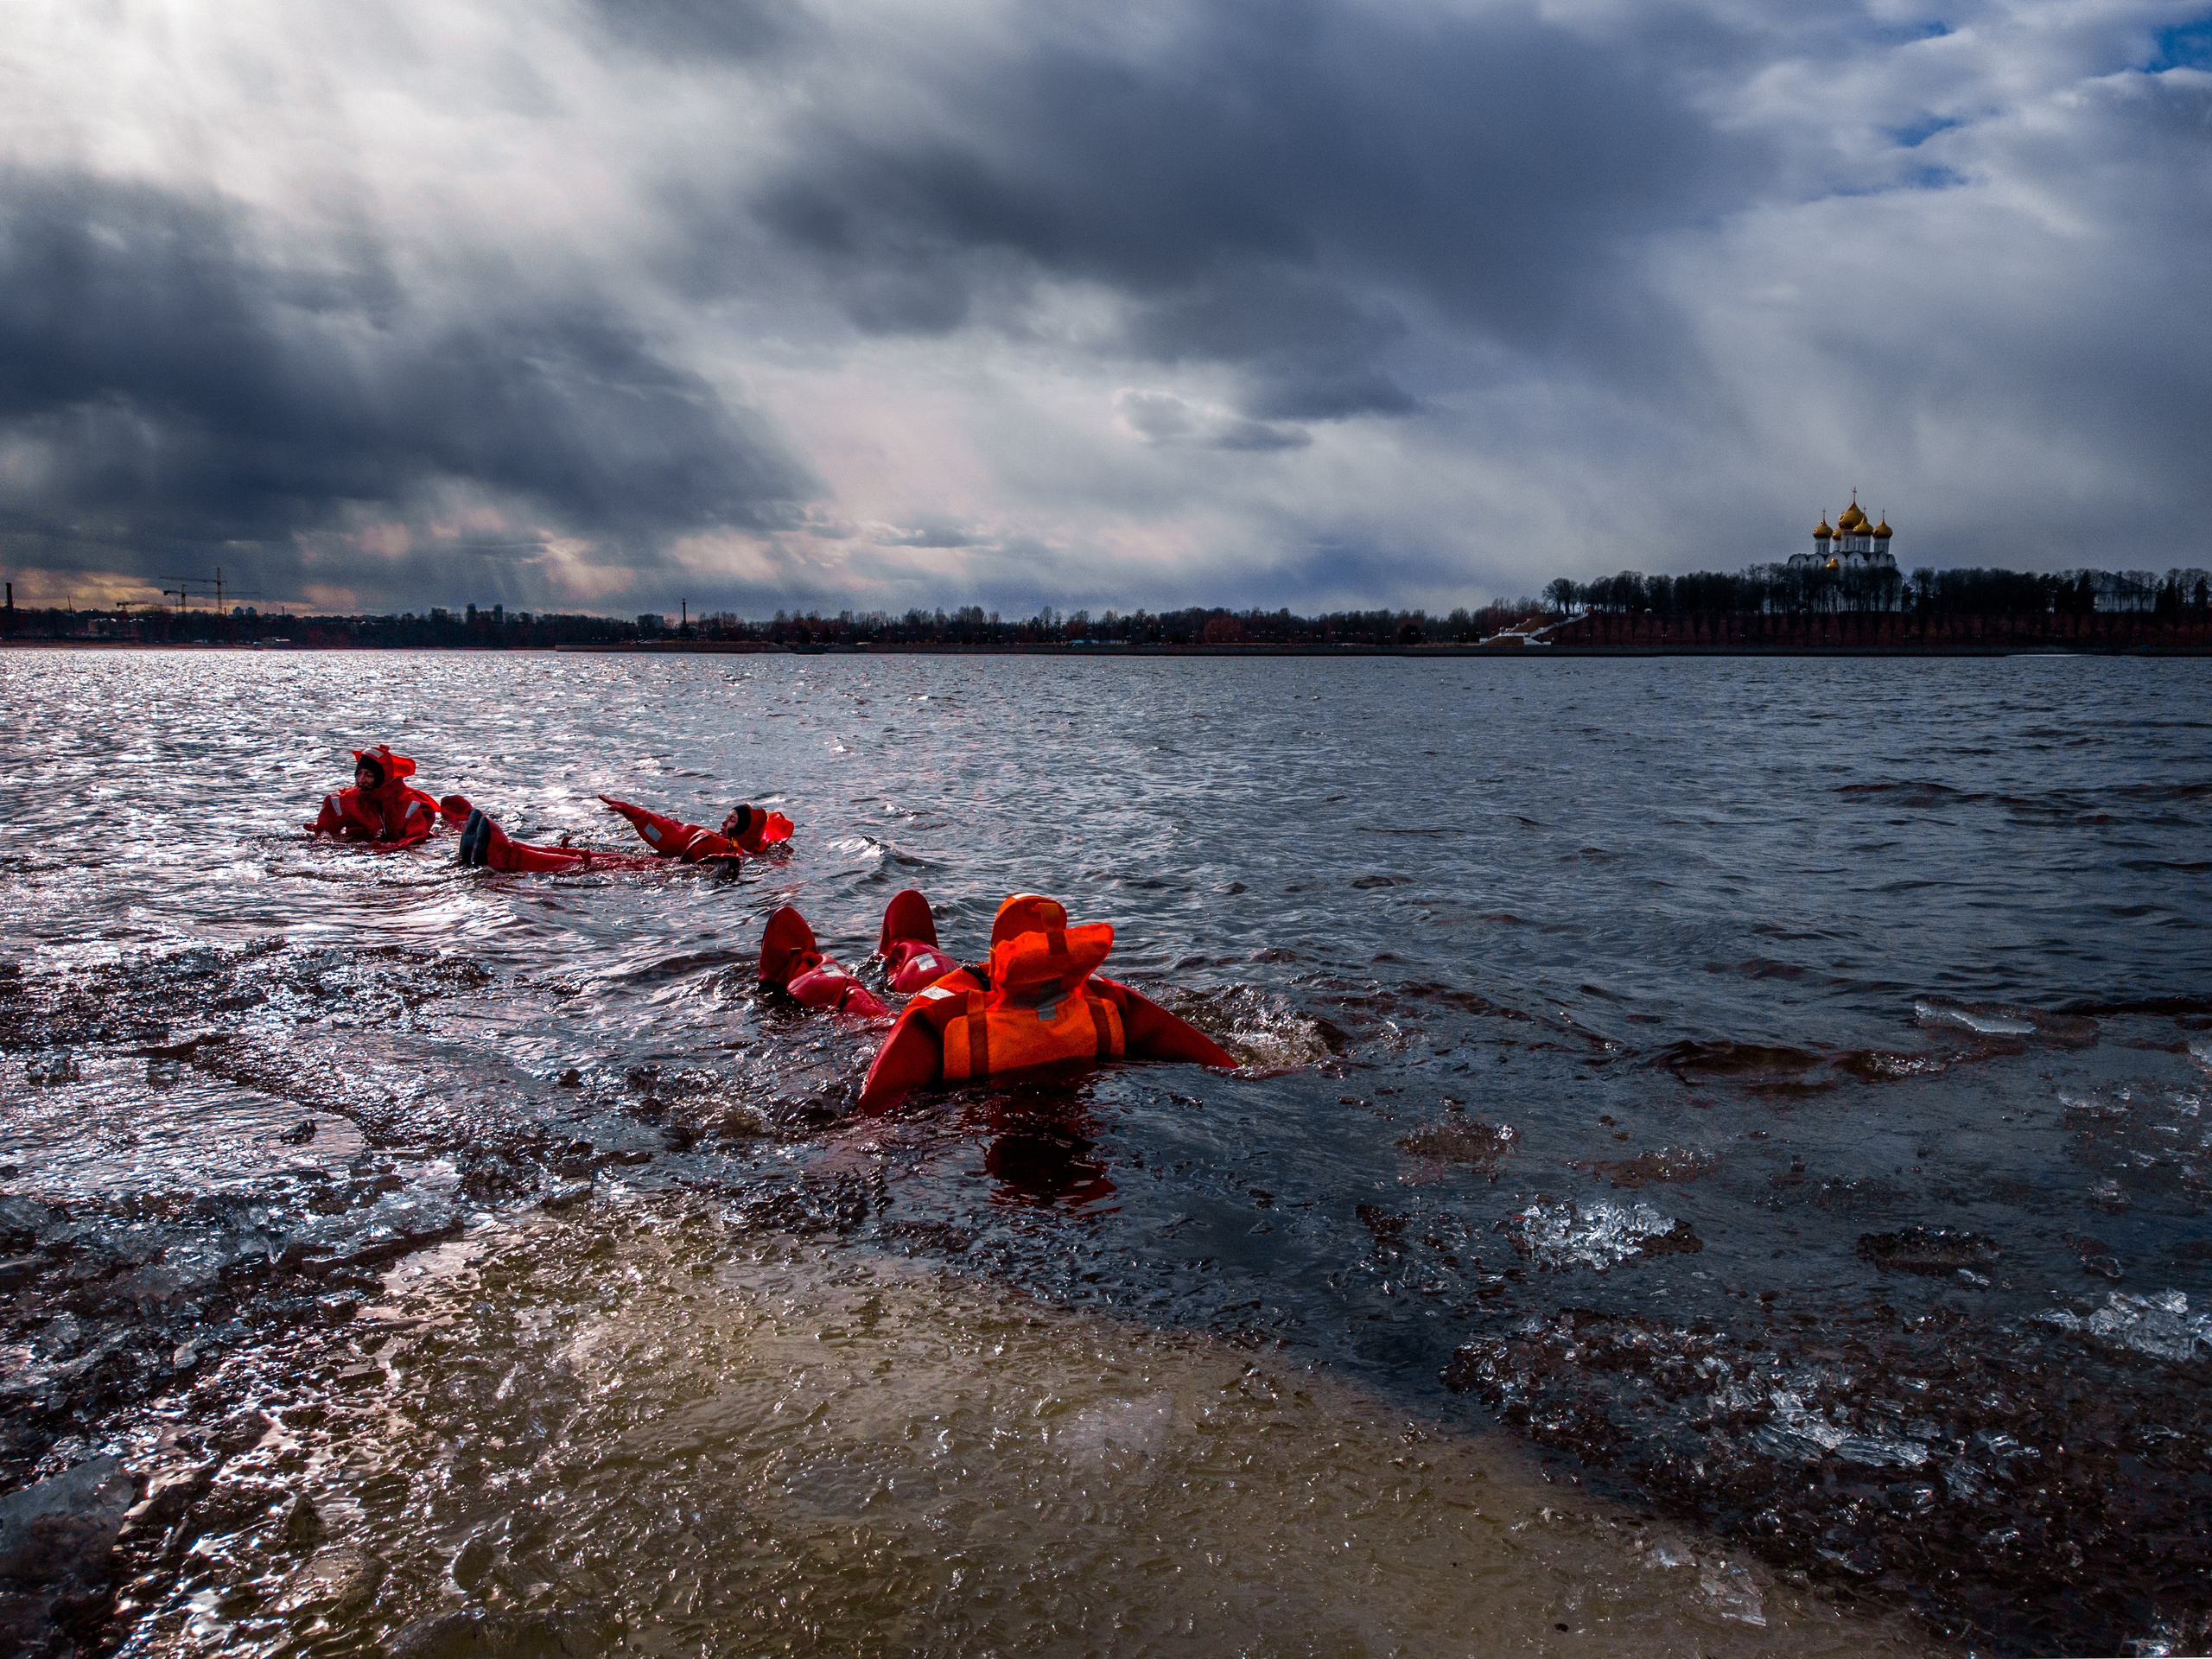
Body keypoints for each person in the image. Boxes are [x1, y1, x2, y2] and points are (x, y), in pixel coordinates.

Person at [754, 887, 1237, 1108]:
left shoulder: (939, 1025)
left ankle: (809, 964)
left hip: (930, 1061)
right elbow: (1218, 1061)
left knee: (858, 1002)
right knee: (925, 966)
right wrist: (1255, 1071)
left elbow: (876, 1101)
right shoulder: (1108, 1010)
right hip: (1039, 1087)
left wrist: (853, 1145)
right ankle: (905, 952)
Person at [452, 795, 793, 873]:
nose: (724, 823)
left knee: (596, 863)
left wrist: (725, 861)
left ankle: (505, 856)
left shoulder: (740, 856)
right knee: (595, 857)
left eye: (732, 820)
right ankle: (508, 848)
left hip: (666, 876)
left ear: (745, 830)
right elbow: (674, 835)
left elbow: (721, 864)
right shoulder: (715, 841)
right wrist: (637, 814)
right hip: (665, 868)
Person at [307, 745, 445, 849]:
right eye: (359, 773)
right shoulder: (343, 802)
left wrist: (388, 849)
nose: (361, 780)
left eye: (369, 775)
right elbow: (323, 834)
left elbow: (416, 840)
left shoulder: (412, 805)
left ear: (382, 777)